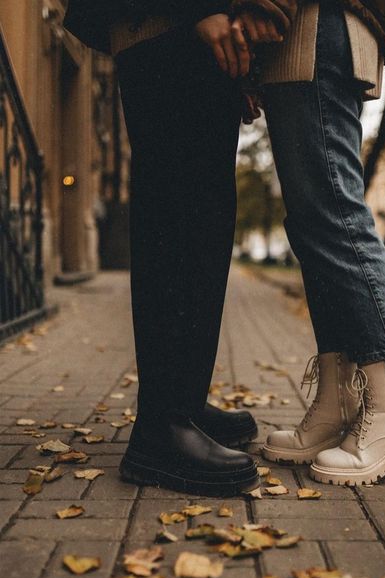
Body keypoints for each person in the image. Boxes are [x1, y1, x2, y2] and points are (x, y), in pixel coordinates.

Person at [233, 0, 385, 485]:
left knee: (335, 214)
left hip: (317, 25)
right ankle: (338, 399)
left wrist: (266, 6)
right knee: (312, 226)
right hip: (308, 33)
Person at [63, 1, 262, 496]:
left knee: (204, 219)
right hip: (164, 21)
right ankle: (161, 427)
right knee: (178, 213)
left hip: (182, 24)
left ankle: (183, 405)